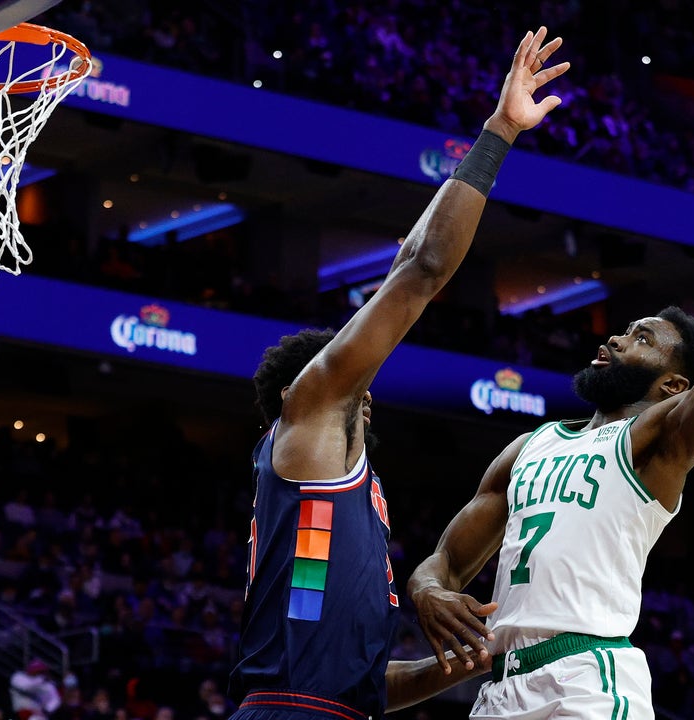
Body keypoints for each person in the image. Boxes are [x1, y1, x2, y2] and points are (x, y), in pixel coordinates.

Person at [407, 171, 694, 719]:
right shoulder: (528, 446)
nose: (614, 338)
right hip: (499, 691)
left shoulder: (656, 443)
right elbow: (444, 563)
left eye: (642, 339)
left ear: (674, 387)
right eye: (627, 330)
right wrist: (427, 592)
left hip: (587, 681)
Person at [227, 26, 571, 720]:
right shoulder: (311, 418)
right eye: (357, 384)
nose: (369, 393)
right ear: (305, 393)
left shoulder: (336, 489)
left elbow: (365, 690)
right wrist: (500, 130)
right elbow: (422, 272)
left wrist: (477, 658)